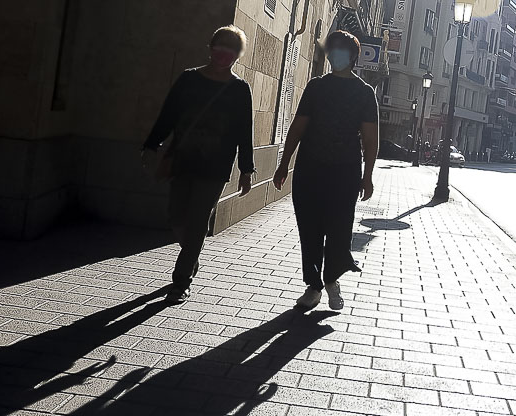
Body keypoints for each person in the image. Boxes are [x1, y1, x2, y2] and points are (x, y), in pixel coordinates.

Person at [142, 25, 255, 304]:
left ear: (236, 56)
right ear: (210, 48)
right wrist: (151, 144)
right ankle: (191, 256)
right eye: (220, 47)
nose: (223, 54)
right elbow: (168, 113)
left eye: (231, 50)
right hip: (183, 158)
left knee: (197, 222)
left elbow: (245, 130)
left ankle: (181, 281)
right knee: (176, 216)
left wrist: (246, 169)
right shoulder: (189, 79)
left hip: (216, 166)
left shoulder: (240, 89)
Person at [272, 30, 378, 311]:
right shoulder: (316, 87)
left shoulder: (365, 93)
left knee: (339, 230)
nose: (336, 54)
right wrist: (284, 163)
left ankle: (331, 278)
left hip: (345, 172)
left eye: (343, 49)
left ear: (354, 56)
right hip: (310, 168)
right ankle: (314, 285)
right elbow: (298, 126)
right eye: (333, 49)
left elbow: (370, 138)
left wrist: (367, 175)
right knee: (309, 228)